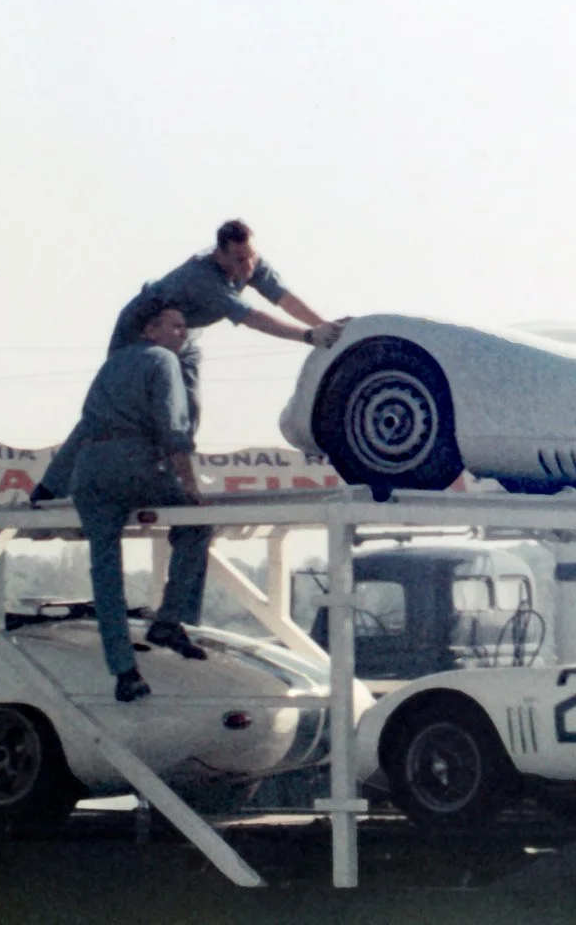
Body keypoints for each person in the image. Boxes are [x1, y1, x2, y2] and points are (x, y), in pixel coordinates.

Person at [33, 219, 346, 502]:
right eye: (239, 260)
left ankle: (171, 475)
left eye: (250, 257)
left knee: (188, 409)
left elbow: (283, 298)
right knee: (112, 412)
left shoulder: (250, 263)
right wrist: (307, 337)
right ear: (220, 254)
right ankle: (50, 489)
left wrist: (326, 328)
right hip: (142, 331)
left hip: (185, 335)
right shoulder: (203, 278)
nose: (247, 266)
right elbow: (253, 318)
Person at [67, 305, 216, 702]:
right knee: (197, 524)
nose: (182, 334)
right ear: (151, 330)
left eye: (186, 327)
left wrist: (45, 490)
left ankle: (124, 670)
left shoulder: (111, 367)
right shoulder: (162, 360)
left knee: (105, 570)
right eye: (176, 326)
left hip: (90, 473)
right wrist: (189, 484)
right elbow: (174, 427)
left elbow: (80, 432)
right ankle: (170, 619)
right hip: (135, 466)